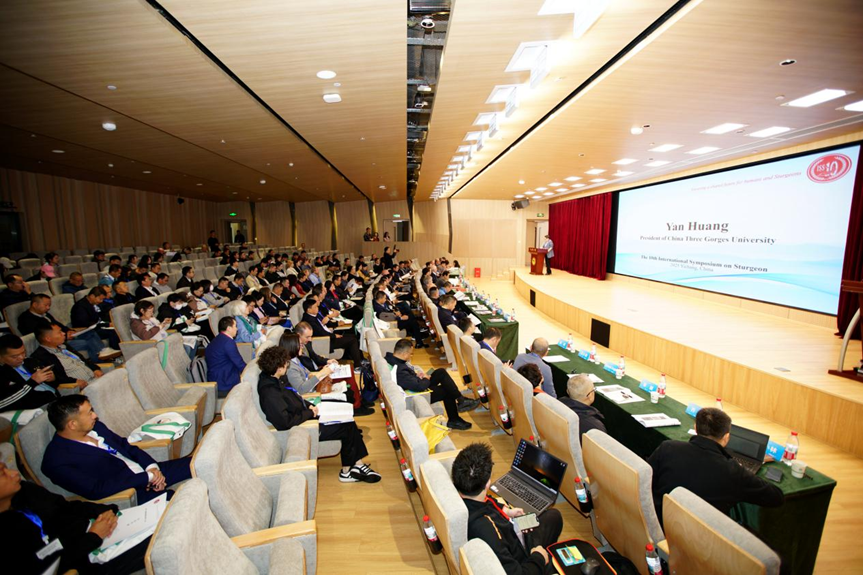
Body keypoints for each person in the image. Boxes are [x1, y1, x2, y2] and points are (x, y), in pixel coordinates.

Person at [256, 346, 381, 483]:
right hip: (303, 427)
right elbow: (285, 422)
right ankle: (348, 471)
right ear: (278, 368)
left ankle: (356, 465)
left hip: (305, 415)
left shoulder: (275, 379)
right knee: (347, 427)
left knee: (348, 419)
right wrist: (309, 412)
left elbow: (293, 396)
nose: (287, 365)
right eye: (285, 364)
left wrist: (308, 405)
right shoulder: (270, 393)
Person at [0, 460, 150, 574]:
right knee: (157, 544)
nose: (14, 473)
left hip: (93, 535)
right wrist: (94, 536)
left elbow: (66, 506)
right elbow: (52, 563)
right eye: (3, 474)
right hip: (85, 559)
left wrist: (105, 510)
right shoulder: (13, 530)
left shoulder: (25, 490)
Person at [42, 395, 193, 503]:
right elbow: (96, 490)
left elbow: (127, 446)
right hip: (132, 491)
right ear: (72, 424)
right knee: (186, 503)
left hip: (149, 471)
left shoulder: (97, 428)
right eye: (89, 413)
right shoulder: (56, 461)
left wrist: (152, 468)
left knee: (200, 463)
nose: (95, 416)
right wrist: (147, 478)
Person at [647, 407, 784, 526]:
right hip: (700, 538)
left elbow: (646, 477)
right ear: (726, 438)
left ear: (695, 428)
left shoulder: (668, 447)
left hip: (657, 521)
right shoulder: (733, 471)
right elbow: (776, 497)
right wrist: (744, 471)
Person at [452, 442, 562, 575]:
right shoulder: (487, 531)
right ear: (487, 483)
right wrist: (539, 557)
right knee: (559, 562)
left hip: (511, 528)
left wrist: (506, 511)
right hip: (521, 557)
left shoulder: (466, 496)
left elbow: (488, 501)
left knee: (553, 517)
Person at [385, 338, 477, 430]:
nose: (410, 356)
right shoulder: (400, 369)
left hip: (414, 383)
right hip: (415, 394)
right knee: (446, 390)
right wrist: (425, 378)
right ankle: (454, 418)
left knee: (441, 372)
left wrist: (416, 375)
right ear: (404, 353)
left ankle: (460, 400)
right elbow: (419, 386)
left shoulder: (391, 358)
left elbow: (407, 378)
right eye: (410, 354)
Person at [17, 294, 109, 361]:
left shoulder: (45, 314)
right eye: (46, 305)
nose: (48, 308)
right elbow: (41, 336)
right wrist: (64, 336)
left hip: (62, 336)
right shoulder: (26, 319)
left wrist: (68, 331)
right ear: (34, 305)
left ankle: (104, 354)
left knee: (90, 333)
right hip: (56, 344)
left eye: (49, 305)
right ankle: (102, 360)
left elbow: (58, 324)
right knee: (88, 342)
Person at [32, 325, 103, 389]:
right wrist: (73, 381)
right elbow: (54, 379)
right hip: (81, 387)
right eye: (59, 332)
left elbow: (82, 360)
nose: (64, 333)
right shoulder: (41, 356)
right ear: (48, 338)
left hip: (95, 380)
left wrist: (95, 369)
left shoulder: (63, 346)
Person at [0, 333, 58, 411]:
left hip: (55, 398)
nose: (21, 357)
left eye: (23, 352)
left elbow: (54, 384)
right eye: (15, 356)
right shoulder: (3, 375)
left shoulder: (29, 361)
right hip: (36, 409)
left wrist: (52, 379)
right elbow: (2, 403)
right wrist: (32, 382)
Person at [301, 298, 364, 366]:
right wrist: (334, 336)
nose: (317, 308)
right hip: (325, 341)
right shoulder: (309, 320)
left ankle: (361, 360)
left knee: (354, 336)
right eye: (315, 307)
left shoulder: (314, 316)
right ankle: (358, 365)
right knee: (352, 340)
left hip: (329, 335)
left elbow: (325, 325)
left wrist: (336, 325)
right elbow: (321, 333)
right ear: (309, 309)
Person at [205, 316, 247, 398]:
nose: (237, 329)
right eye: (235, 326)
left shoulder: (218, 339)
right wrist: (250, 372)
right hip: (224, 383)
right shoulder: (228, 342)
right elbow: (239, 364)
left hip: (216, 379)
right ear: (229, 328)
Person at [558, 374, 606, 443]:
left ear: (567, 391)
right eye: (593, 390)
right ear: (590, 395)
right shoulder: (595, 426)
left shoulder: (557, 405)